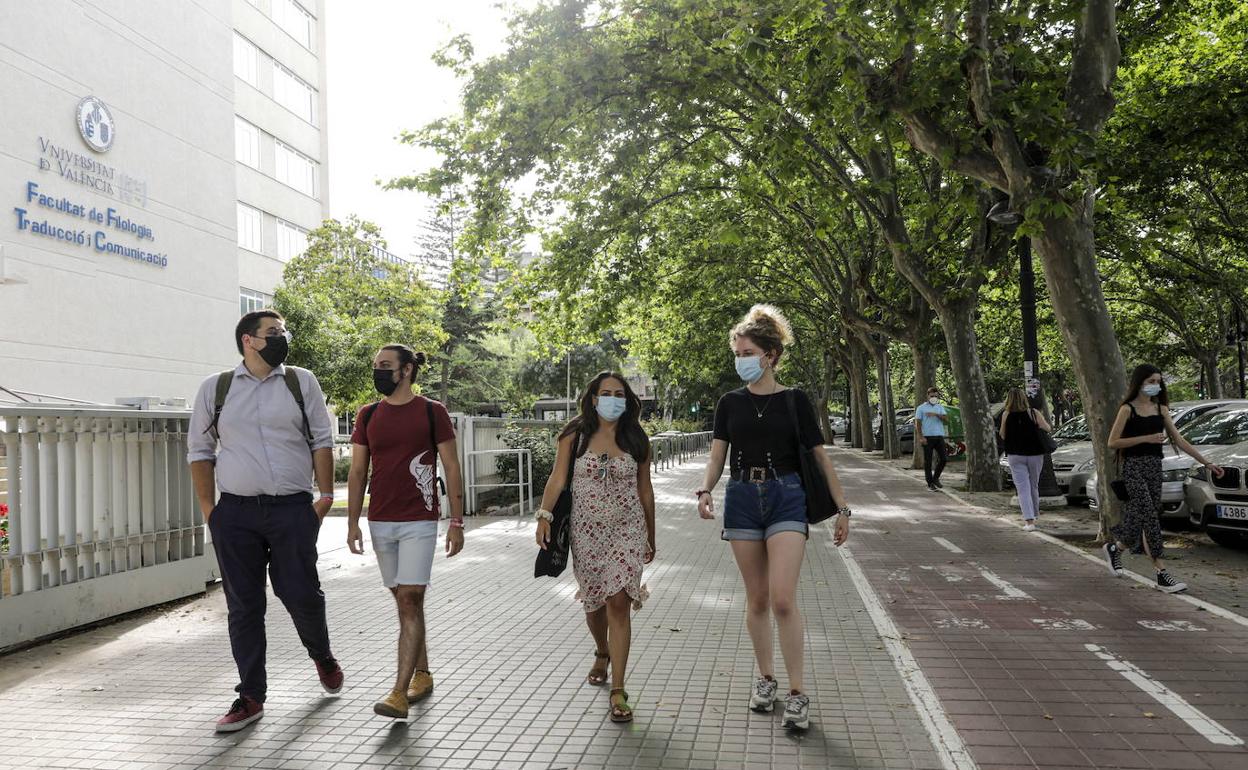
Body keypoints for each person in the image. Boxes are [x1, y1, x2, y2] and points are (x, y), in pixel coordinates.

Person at [696, 304, 852, 731]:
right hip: (743, 496)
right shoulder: (729, 403)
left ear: (770, 355)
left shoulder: (795, 400)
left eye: (747, 352)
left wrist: (843, 508)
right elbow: (717, 455)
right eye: (738, 352)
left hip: (787, 497)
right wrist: (706, 488)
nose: (741, 359)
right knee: (758, 600)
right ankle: (766, 680)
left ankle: (798, 693)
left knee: (783, 598)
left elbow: (821, 456)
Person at [187, 310, 342, 732]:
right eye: (273, 333)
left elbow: (321, 439)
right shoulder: (215, 388)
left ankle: (322, 656)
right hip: (234, 514)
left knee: (300, 594)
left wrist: (325, 497)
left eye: (283, 331)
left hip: (292, 509)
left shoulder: (300, 381)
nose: (282, 338)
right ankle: (251, 696)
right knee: (244, 607)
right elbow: (199, 451)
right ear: (247, 341)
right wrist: (210, 512)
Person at [346, 345, 465, 719]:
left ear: (407, 370)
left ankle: (398, 692)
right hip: (381, 519)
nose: (378, 371)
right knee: (405, 602)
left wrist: (457, 521)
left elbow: (451, 466)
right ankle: (424, 674)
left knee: (411, 600)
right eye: (375, 365)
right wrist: (352, 521)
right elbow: (357, 472)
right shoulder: (367, 415)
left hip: (419, 519)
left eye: (385, 365)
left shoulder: (433, 412)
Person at [535, 372, 655, 723]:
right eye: (606, 393)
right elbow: (558, 478)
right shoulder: (575, 434)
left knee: (618, 601)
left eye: (619, 393)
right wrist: (544, 515)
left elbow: (645, 489)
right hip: (585, 531)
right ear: (592, 398)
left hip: (627, 530)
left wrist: (651, 533)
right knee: (594, 603)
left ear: (628, 399)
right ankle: (602, 651)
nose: (612, 399)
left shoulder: (636, 437)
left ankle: (618, 689)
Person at [1102, 365, 1223, 593]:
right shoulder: (1127, 409)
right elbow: (1113, 442)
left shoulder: (1162, 410)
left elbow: (1179, 440)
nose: (1155, 385)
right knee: (1149, 516)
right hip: (1134, 468)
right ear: (1139, 383)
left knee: (1139, 519)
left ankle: (1115, 549)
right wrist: (1146, 438)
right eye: (1151, 381)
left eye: (1158, 381)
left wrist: (1207, 463)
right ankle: (1161, 573)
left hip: (1154, 468)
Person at [999, 387, 1051, 531]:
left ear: (1008, 400)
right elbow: (1047, 428)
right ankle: (1035, 514)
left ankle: (1029, 521)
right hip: (1035, 454)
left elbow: (1002, 434)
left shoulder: (1006, 414)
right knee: (1033, 485)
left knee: (1022, 488)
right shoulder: (1033, 413)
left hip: (1015, 455)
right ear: (1024, 398)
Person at [914, 387, 949, 490]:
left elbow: (946, 419)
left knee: (944, 459)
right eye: (932, 396)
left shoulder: (940, 407)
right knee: (928, 461)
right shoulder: (921, 408)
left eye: (935, 396)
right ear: (928, 396)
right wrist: (921, 437)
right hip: (927, 437)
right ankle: (930, 483)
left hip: (939, 436)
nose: (933, 398)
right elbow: (918, 423)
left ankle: (936, 478)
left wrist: (936, 415)